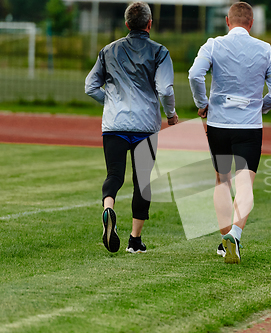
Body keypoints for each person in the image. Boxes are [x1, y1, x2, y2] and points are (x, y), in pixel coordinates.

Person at [188, 2, 271, 264]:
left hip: (219, 124)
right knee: (245, 183)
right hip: (249, 127)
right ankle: (235, 233)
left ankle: (224, 242)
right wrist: (259, 107)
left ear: (227, 20)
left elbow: (195, 74)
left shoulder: (213, 45)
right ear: (251, 23)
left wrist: (202, 104)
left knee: (222, 180)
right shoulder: (264, 49)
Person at [85, 1, 178, 254]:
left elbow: (90, 86)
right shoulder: (159, 52)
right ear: (149, 23)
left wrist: (111, 102)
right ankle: (134, 241)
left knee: (114, 175)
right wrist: (171, 115)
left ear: (126, 24)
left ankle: (108, 208)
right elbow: (165, 89)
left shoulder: (108, 50)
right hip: (145, 126)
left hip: (114, 123)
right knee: (142, 182)